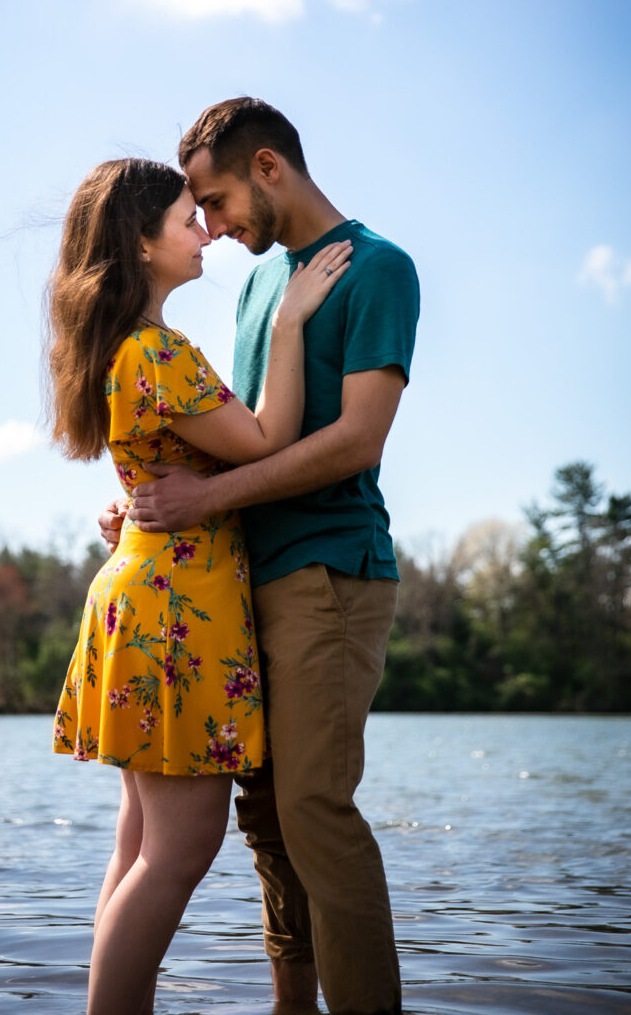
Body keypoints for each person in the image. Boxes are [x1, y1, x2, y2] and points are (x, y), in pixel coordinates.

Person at [120, 98, 420, 1015]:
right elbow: (246, 438)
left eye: (214, 202)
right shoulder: (261, 286)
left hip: (327, 573)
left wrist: (205, 499)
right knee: (268, 827)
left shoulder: (377, 269)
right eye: (197, 213)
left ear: (267, 167)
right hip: (240, 584)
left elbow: (356, 440)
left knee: (315, 813)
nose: (210, 227)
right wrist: (148, 511)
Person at [46, 155, 351, 1015]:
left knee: (140, 844)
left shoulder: (121, 349)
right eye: (188, 219)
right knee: (176, 854)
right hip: (175, 610)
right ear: (141, 245)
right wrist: (290, 323)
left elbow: (162, 463)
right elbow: (267, 440)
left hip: (139, 596)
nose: (205, 232)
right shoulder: (159, 351)